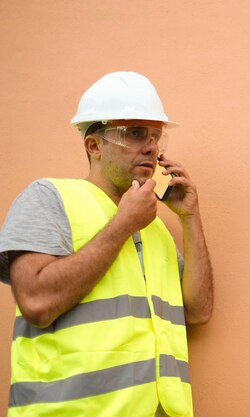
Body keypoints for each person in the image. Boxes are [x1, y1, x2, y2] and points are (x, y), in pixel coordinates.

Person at [0, 72, 213, 417]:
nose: (151, 147)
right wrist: (123, 224)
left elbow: (198, 312)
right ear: (94, 145)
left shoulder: (155, 227)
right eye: (134, 133)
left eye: (156, 136)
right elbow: (36, 303)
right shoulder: (48, 198)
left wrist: (190, 217)